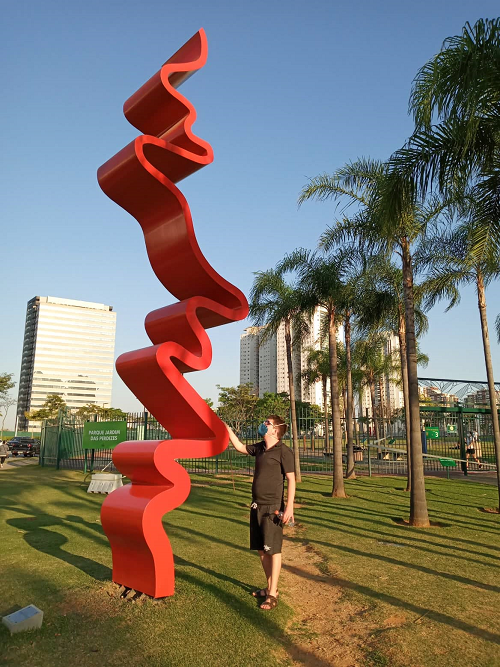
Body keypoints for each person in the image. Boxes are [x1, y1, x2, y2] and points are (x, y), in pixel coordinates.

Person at [226, 415, 295, 611]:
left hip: (273, 507)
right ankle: (271, 587)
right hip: (256, 505)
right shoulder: (260, 448)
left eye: (267, 423)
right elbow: (240, 447)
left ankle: (272, 594)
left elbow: (291, 480)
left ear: (275, 430)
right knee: (261, 549)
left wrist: (289, 507)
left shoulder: (284, 451)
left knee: (273, 550)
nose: (263, 425)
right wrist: (227, 429)